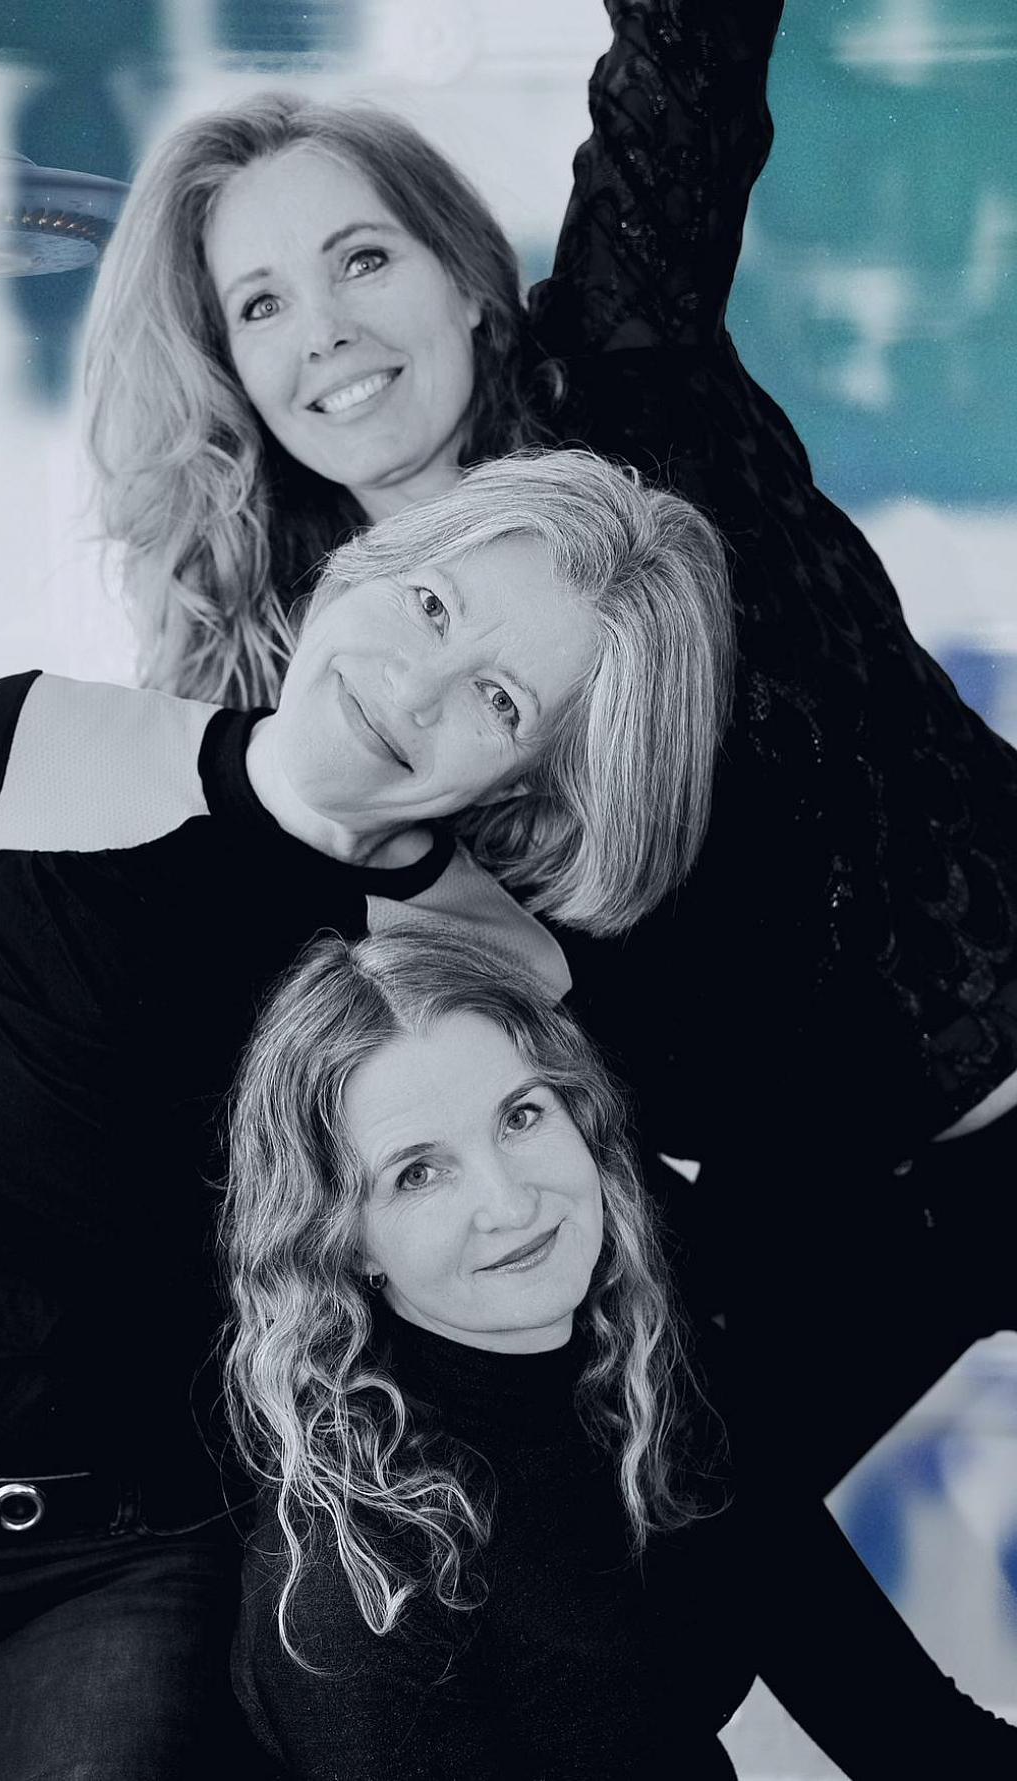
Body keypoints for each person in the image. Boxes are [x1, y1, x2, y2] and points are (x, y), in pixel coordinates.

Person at [85, 1, 1017, 1496]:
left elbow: (685, 59)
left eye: (361, 258)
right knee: (662, 1570)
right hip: (815, 1209)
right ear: (233, 376)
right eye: (258, 305)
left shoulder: (629, 383)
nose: (323, 329)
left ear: (466, 279)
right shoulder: (314, 689)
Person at [0, 450, 730, 1779]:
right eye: (431, 606)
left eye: (499, 699)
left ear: (532, 777)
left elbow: (576, 1258)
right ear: (359, 567)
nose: (413, 686)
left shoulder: (483, 966)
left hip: (130, 1569)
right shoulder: (27, 739)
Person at [222, 926, 1017, 1780]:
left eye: (521, 1115)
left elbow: (911, 1732)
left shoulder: (658, 1379)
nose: (509, 1203)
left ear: (584, 1118)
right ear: (346, 1241)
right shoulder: (353, 1591)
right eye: (418, 1172)